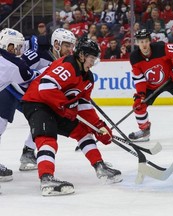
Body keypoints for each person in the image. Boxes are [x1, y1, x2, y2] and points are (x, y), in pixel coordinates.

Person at [21, 37, 122, 196]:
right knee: (47, 138)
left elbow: (84, 106)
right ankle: (46, 178)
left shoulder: (88, 77)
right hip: (37, 102)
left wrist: (98, 126)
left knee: (83, 132)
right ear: (81, 56)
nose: (92, 63)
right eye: (91, 58)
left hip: (57, 106)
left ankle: (100, 167)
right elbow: (46, 86)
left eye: (95, 59)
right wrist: (66, 106)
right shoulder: (68, 66)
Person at [0, 28, 76, 174]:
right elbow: (18, 70)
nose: (69, 50)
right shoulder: (37, 54)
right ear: (56, 44)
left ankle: (28, 152)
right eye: (67, 45)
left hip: (29, 95)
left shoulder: (64, 61)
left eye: (72, 46)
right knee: (0, 124)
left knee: (43, 116)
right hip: (10, 90)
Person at [128, 29, 173, 142]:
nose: (144, 44)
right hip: (151, 86)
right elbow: (139, 78)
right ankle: (145, 130)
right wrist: (141, 94)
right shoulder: (134, 57)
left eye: (145, 41)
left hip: (172, 79)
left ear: (149, 41)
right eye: (141, 42)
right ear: (137, 43)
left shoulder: (161, 48)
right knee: (138, 106)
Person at [0, 28, 37, 182]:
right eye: (18, 47)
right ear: (9, 46)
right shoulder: (15, 64)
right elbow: (31, 79)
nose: (20, 50)